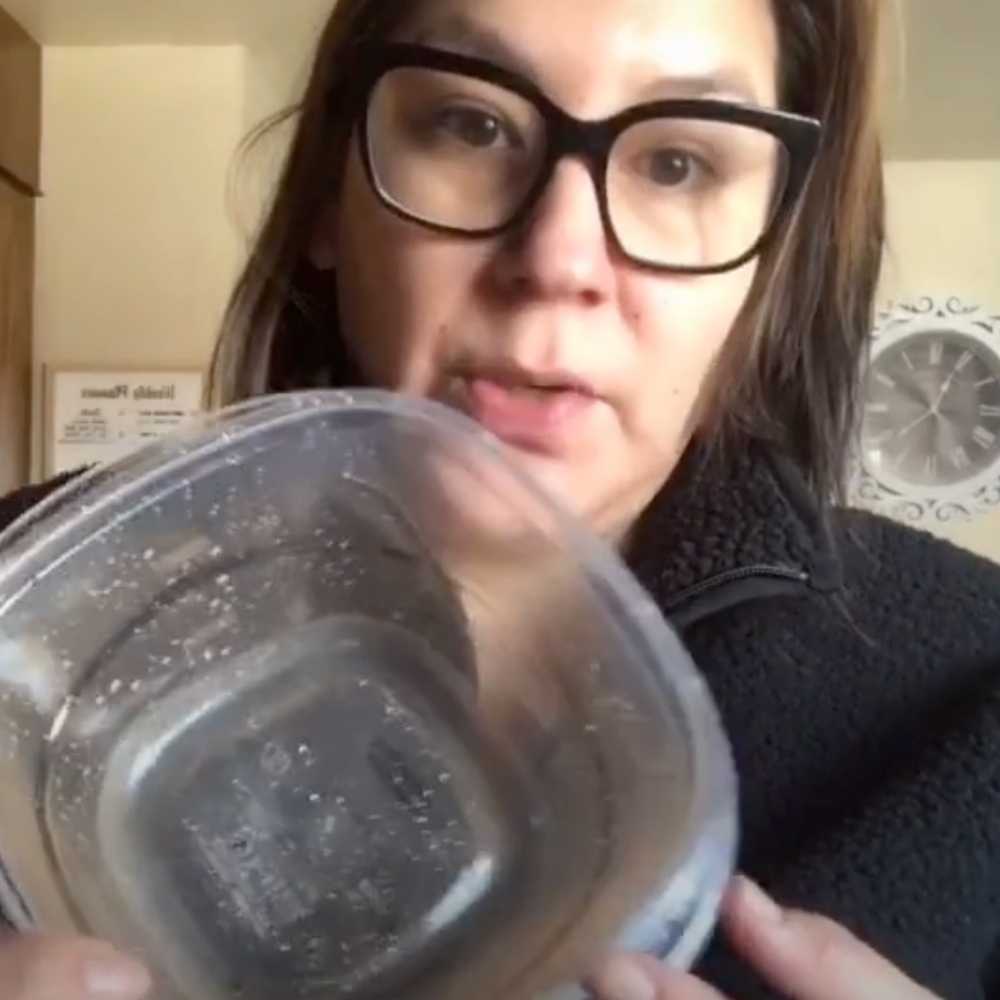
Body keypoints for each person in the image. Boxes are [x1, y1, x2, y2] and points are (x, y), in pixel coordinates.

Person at [1, 0, 998, 997]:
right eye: (470, 125)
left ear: (770, 265)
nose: (556, 261)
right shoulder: (15, 606)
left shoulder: (971, 696)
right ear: (325, 203)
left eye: (677, 163)